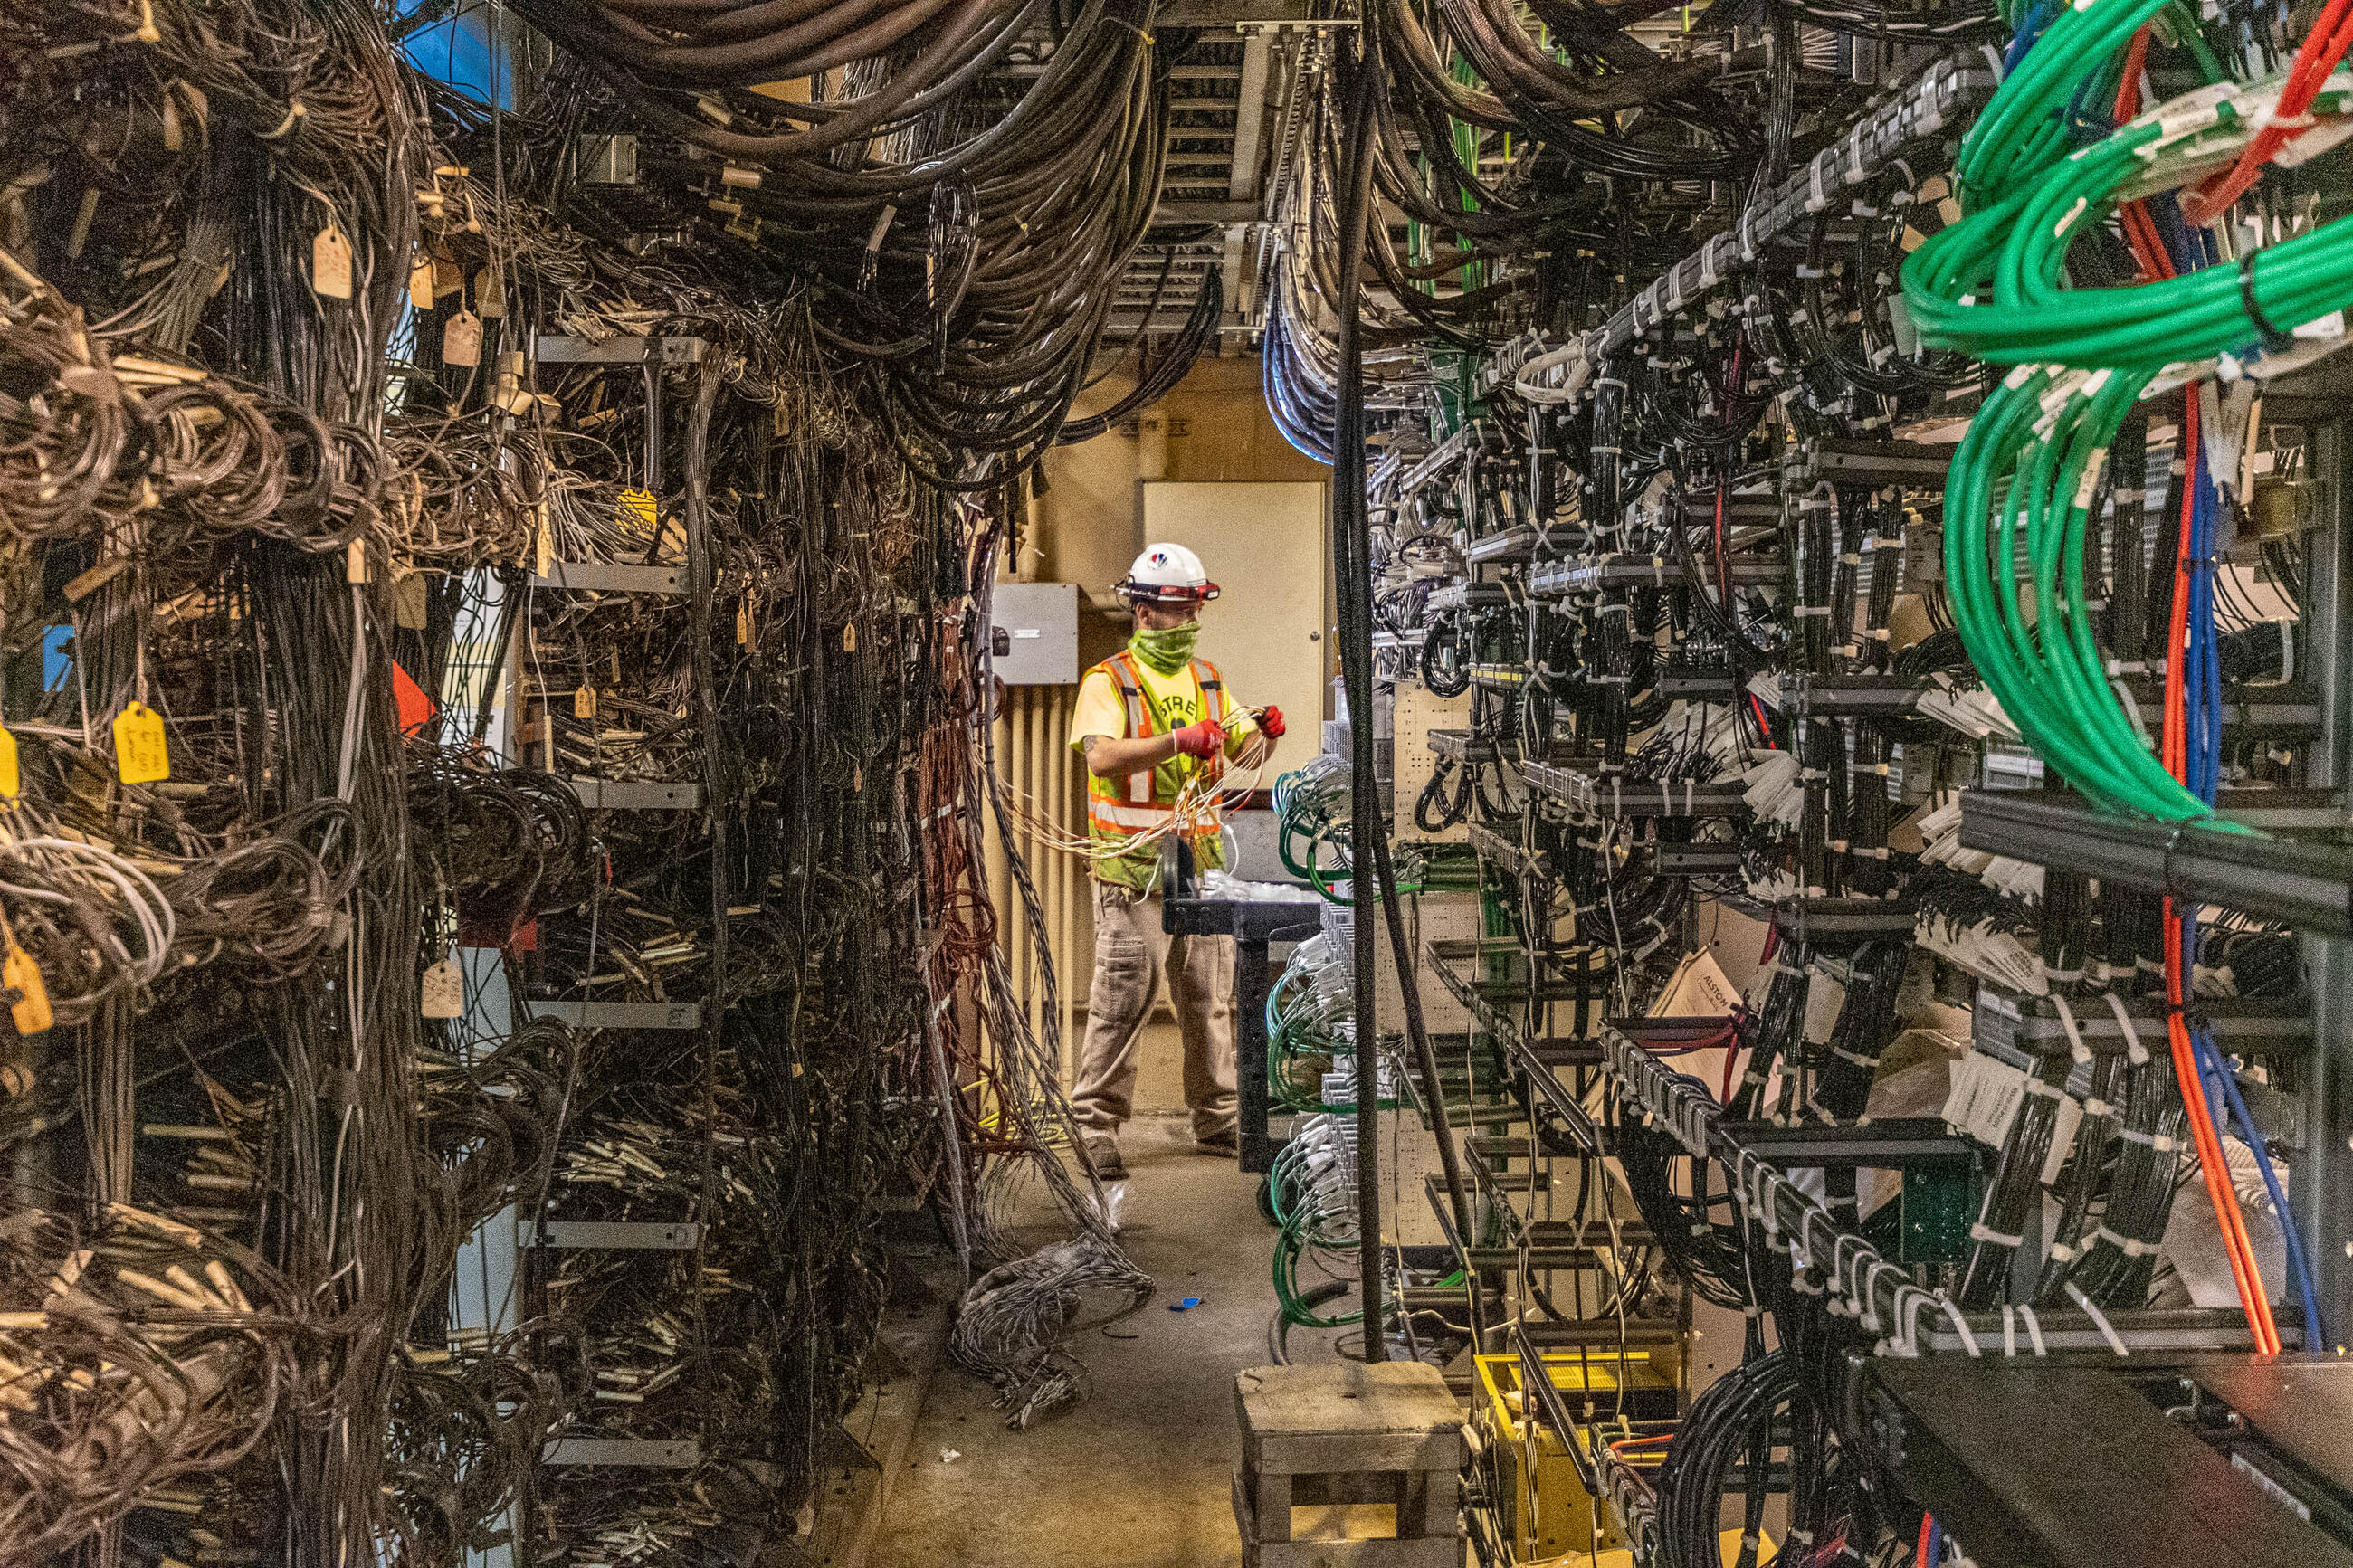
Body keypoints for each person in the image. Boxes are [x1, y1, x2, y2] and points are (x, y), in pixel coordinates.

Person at [1067, 543, 1287, 1179]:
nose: (1189, 621)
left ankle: (1217, 1117)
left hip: (1199, 861)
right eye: (1177, 609)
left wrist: (1263, 731)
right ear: (1142, 611)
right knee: (1123, 996)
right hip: (1131, 867)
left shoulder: (1209, 678)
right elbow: (1102, 758)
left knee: (1207, 995)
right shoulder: (1108, 681)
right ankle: (1095, 1124)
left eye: (1195, 607)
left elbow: (1243, 751)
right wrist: (1175, 741)